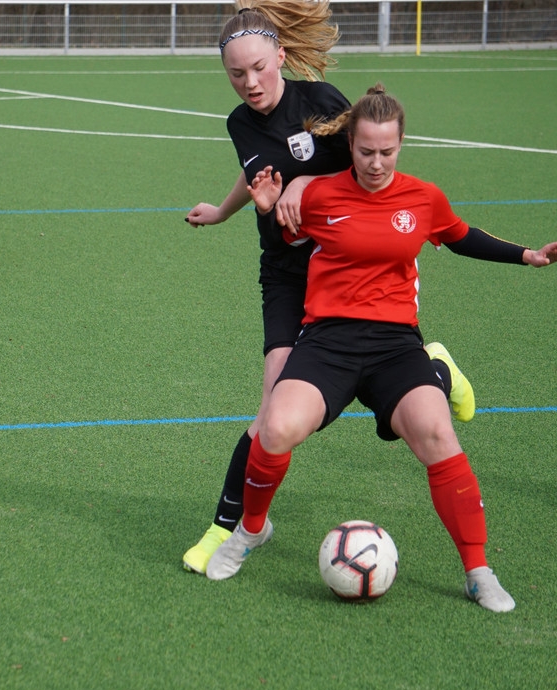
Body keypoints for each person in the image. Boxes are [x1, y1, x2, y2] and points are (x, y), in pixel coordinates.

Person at [205, 84, 557, 612]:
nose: (376, 163)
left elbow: (461, 236)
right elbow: (288, 245)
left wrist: (527, 255)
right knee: (276, 426)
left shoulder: (423, 197)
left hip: (395, 345)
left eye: (387, 152)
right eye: (366, 151)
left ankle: (478, 570)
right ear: (349, 144)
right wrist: (268, 211)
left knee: (438, 434)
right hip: (328, 340)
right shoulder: (319, 195)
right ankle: (251, 531)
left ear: (401, 145)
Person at [181, 0, 473, 575]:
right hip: (283, 270)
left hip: (339, 264)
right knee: (272, 408)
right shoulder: (239, 123)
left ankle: (431, 370)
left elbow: (365, 167)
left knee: (380, 411)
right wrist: (223, 210)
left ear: (280, 56)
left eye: (258, 68)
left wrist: (307, 183)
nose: (250, 82)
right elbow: (257, 168)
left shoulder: (321, 101)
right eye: (236, 74)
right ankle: (232, 527)